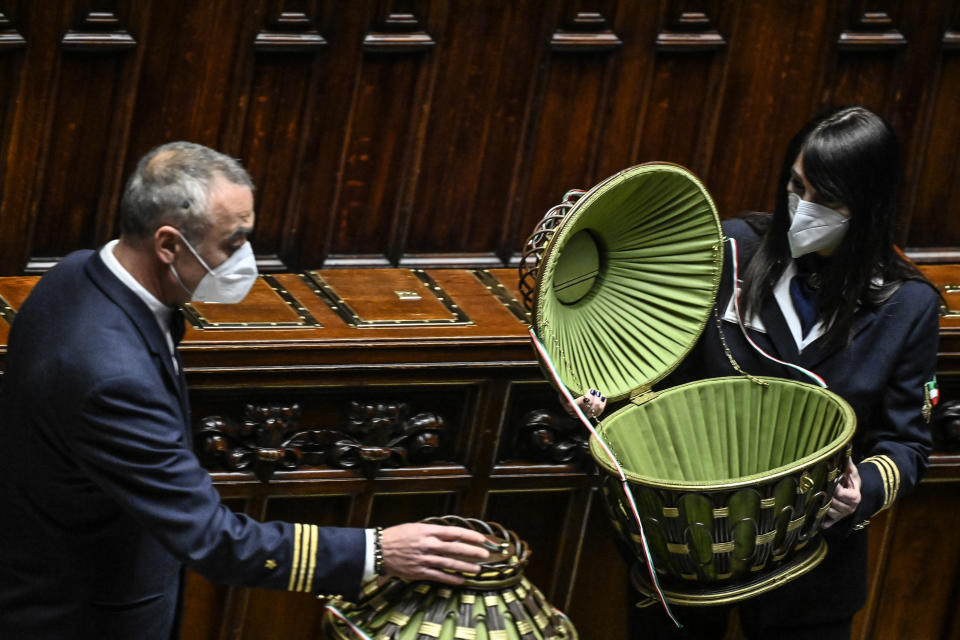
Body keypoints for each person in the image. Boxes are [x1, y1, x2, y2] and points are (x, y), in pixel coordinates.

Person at [0, 142, 490, 640]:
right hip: (82, 618)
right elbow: (214, 541)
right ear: (168, 245)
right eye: (233, 244)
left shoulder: (79, 273)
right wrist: (379, 552)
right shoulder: (109, 376)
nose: (246, 260)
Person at [566, 106, 940, 639]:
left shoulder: (909, 305)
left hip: (813, 560)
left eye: (827, 199)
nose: (803, 208)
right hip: (685, 544)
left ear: (869, 205)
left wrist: (864, 493)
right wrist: (607, 401)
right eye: (796, 185)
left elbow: (907, 444)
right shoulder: (731, 248)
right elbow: (659, 376)